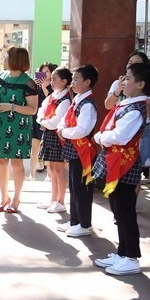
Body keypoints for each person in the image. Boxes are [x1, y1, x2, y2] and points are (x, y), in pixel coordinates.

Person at [92, 61, 150, 276]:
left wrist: (101, 137)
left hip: (125, 166)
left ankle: (131, 257)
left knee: (125, 211)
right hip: (116, 163)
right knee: (118, 209)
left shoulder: (136, 109)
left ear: (140, 84)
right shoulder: (127, 104)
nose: (124, 82)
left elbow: (120, 135)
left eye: (128, 79)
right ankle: (122, 252)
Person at [0, 47, 40, 213]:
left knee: (17, 163)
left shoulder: (28, 82)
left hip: (19, 127)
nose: (4, 59)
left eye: (6, 56)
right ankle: (4, 197)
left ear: (16, 60)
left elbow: (33, 109)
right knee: (0, 161)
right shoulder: (1, 77)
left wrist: (12, 107)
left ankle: (16, 198)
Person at [57, 65, 99, 238]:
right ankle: (75, 220)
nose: (72, 83)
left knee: (82, 189)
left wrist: (63, 132)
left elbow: (82, 130)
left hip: (83, 151)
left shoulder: (87, 105)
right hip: (74, 149)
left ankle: (84, 224)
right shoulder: (78, 100)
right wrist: (61, 128)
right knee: (74, 187)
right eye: (72, 79)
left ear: (87, 82)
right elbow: (64, 121)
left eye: (76, 79)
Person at [104, 51, 150, 181]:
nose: (131, 66)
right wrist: (119, 90)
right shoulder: (118, 83)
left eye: (136, 63)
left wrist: (136, 96)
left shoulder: (149, 88)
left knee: (135, 169)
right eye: (130, 63)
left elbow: (148, 111)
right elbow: (108, 105)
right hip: (118, 126)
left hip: (140, 131)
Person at [36, 67, 72, 214]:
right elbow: (41, 111)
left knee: (58, 169)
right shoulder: (53, 96)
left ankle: (61, 201)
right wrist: (43, 120)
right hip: (50, 135)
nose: (51, 82)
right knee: (51, 168)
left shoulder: (64, 100)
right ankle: (53, 199)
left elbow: (55, 122)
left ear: (64, 81)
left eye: (54, 79)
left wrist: (43, 122)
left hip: (58, 137)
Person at [29, 62, 57, 179]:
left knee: (47, 147)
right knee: (34, 146)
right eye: (42, 71)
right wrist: (33, 86)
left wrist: (45, 87)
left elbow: (52, 101)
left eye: (47, 71)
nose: (44, 74)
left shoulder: (54, 86)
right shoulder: (36, 85)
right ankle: (32, 175)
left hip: (49, 121)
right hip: (36, 118)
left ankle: (49, 175)